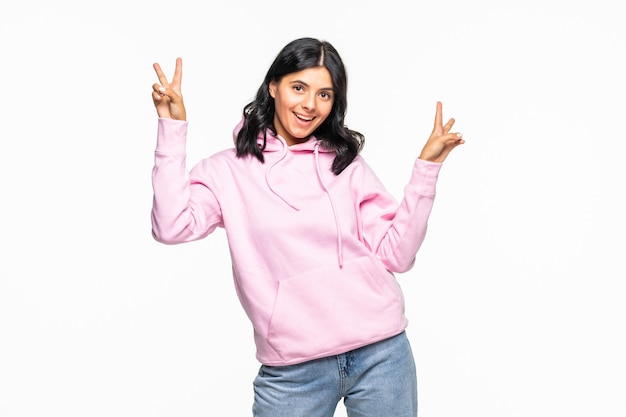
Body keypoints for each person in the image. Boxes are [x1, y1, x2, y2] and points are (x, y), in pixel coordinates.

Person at [150, 37, 464, 417]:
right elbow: (171, 226)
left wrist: (425, 172)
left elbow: (397, 255)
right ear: (273, 86)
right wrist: (172, 129)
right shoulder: (227, 171)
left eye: (324, 94)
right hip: (294, 369)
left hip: (382, 353)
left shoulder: (344, 164)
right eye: (298, 87)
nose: (310, 105)